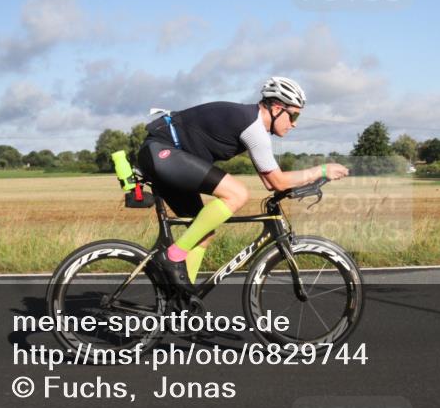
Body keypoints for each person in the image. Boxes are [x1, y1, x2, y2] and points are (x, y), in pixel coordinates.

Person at [137, 76, 350, 295]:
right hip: (161, 152)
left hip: (165, 157)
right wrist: (321, 171)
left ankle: (179, 303)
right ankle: (172, 256)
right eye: (293, 115)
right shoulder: (254, 128)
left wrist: (311, 180)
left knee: (203, 234)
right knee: (237, 194)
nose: (294, 123)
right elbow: (277, 181)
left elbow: (270, 182)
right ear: (277, 108)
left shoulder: (252, 125)